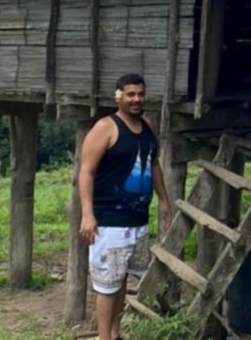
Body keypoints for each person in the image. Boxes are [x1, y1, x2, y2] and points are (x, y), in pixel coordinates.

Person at [79, 73, 172, 340]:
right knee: (106, 285)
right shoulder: (105, 128)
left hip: (138, 220)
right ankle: (103, 337)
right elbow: (86, 172)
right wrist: (87, 214)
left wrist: (164, 200)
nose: (136, 99)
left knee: (121, 280)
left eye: (140, 94)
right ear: (118, 96)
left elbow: (154, 164)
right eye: (130, 94)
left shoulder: (147, 126)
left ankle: (116, 334)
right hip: (109, 221)